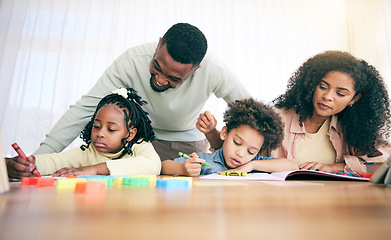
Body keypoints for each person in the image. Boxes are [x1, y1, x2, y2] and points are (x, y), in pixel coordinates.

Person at [32, 23, 251, 161]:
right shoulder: (131, 60)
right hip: (141, 140)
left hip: (188, 143)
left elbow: (252, 112)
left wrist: (261, 161)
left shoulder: (215, 71)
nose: (160, 79)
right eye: (157, 66)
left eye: (174, 79)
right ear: (158, 46)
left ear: (196, 70)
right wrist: (39, 158)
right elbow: (86, 108)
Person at [197, 51, 391, 173]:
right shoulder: (277, 118)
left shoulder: (353, 128)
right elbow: (233, 154)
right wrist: (211, 132)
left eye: (340, 93)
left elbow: (382, 163)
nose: (328, 96)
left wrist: (336, 167)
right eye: (323, 87)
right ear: (312, 84)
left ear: (354, 99)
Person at [6, 88, 161, 178]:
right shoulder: (88, 152)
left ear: (131, 134)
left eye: (111, 129)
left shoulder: (140, 146)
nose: (100, 133)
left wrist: (93, 169)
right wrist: (31, 163)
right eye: (96, 126)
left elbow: (153, 165)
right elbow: (56, 161)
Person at [161, 98, 298, 177]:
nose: (241, 153)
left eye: (251, 151)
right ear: (225, 133)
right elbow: (163, 166)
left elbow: (292, 166)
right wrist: (182, 169)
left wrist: (252, 165)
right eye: (237, 143)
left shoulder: (256, 164)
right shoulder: (204, 161)